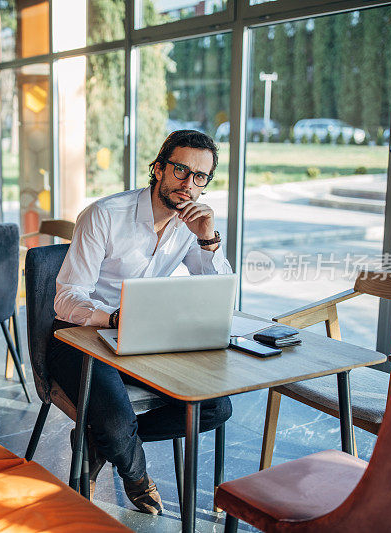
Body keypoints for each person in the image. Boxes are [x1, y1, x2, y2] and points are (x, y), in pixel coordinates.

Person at [49, 130, 233, 514]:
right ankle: (135, 474)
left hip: (143, 337)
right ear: (159, 168)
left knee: (215, 407)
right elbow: (66, 298)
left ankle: (97, 439)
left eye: (200, 177)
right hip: (80, 335)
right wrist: (111, 317)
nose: (188, 184)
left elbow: (216, 293)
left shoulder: (192, 226)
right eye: (181, 170)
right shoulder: (104, 215)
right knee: (116, 417)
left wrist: (208, 241)